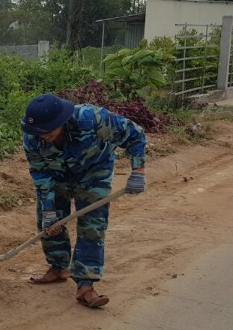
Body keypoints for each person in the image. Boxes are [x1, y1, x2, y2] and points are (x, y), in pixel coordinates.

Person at [22, 94, 147, 308]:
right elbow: (41, 173)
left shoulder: (93, 118)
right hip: (57, 177)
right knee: (49, 224)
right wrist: (49, 210)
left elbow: (135, 135)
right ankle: (58, 267)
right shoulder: (33, 137)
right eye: (39, 132)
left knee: (92, 226)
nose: (43, 136)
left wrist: (138, 172)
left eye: (48, 131)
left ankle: (85, 285)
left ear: (61, 121)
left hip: (94, 173)